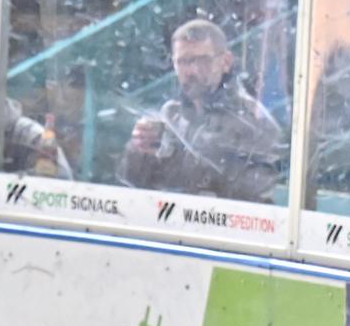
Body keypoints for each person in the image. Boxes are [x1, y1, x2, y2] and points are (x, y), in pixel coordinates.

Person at [118, 19, 287, 203]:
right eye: (183, 62)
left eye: (203, 60)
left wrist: (179, 156)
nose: (192, 70)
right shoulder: (170, 114)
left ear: (226, 61)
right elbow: (130, 184)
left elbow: (254, 196)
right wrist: (139, 148)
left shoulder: (255, 121)